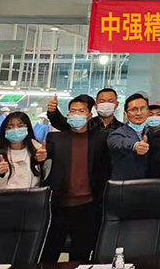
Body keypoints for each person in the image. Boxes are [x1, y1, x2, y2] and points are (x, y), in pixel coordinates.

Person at [41, 94, 111, 263]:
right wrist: (39, 157)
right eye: (72, 111)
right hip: (58, 206)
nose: (76, 114)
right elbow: (40, 161)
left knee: (80, 255)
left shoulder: (100, 139)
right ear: (67, 115)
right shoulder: (55, 138)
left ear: (89, 115)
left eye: (81, 111)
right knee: (48, 255)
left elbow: (105, 169)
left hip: (88, 207)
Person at [0, 112, 46, 190]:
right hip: (5, 197)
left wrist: (41, 162)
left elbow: (41, 180)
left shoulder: (37, 150)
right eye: (10, 127)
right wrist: (0, 174)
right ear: (4, 130)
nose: (16, 130)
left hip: (31, 196)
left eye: (20, 126)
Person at [107, 92, 150, 180]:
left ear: (148, 112)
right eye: (134, 109)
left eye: (143, 108)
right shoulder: (117, 134)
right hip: (125, 184)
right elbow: (119, 142)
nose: (139, 113)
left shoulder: (152, 133)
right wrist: (135, 145)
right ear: (125, 114)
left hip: (149, 184)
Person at [47, 88, 123, 134]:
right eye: (102, 101)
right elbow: (61, 123)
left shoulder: (123, 129)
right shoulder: (84, 124)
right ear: (96, 105)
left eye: (110, 101)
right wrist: (53, 112)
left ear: (116, 105)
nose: (106, 104)